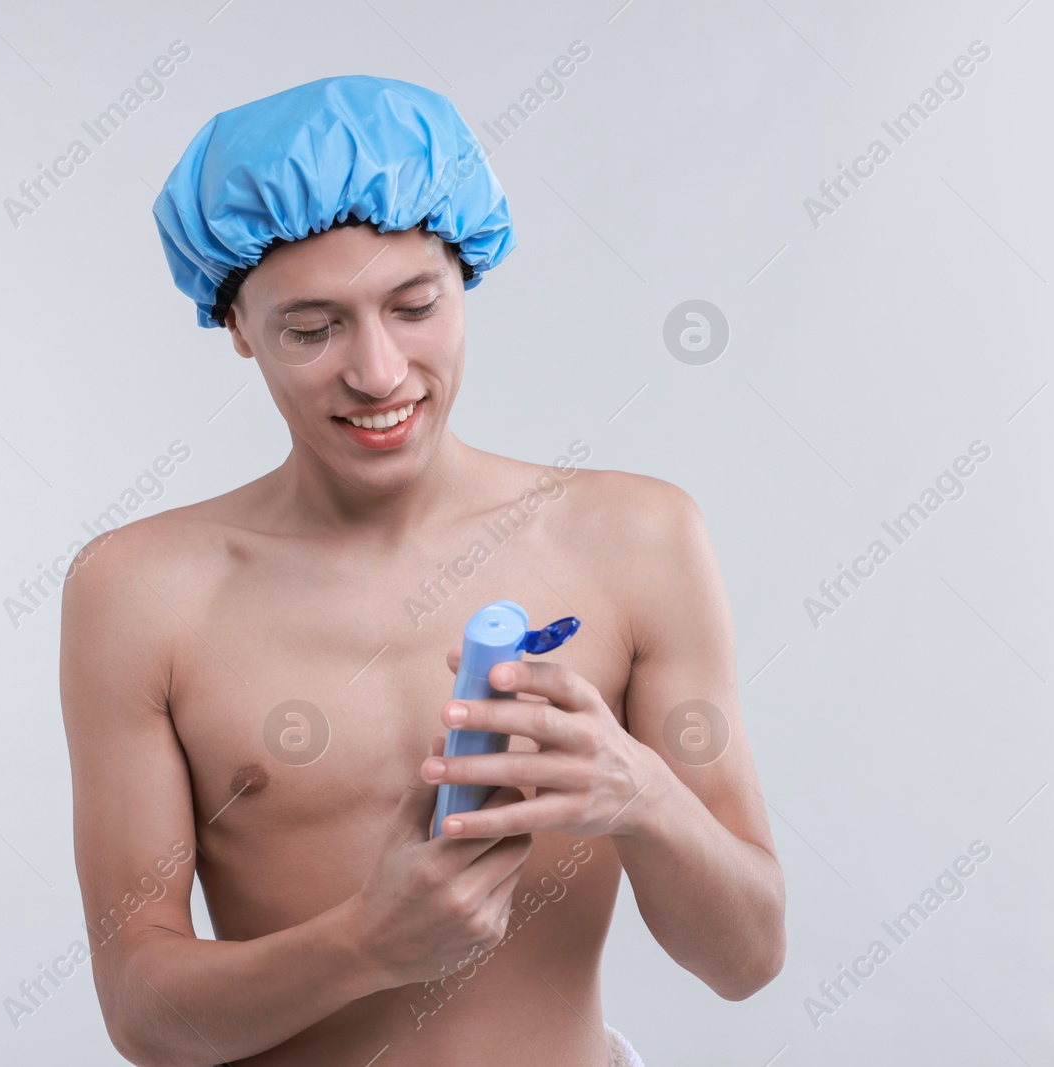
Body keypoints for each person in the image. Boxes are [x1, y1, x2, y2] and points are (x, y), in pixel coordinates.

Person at [59, 74, 785, 1066]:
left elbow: (746, 956)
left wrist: (642, 794)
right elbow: (142, 1012)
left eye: (413, 306)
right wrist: (361, 943)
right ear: (235, 326)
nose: (379, 372)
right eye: (312, 329)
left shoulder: (638, 538)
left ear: (465, 276)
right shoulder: (141, 592)